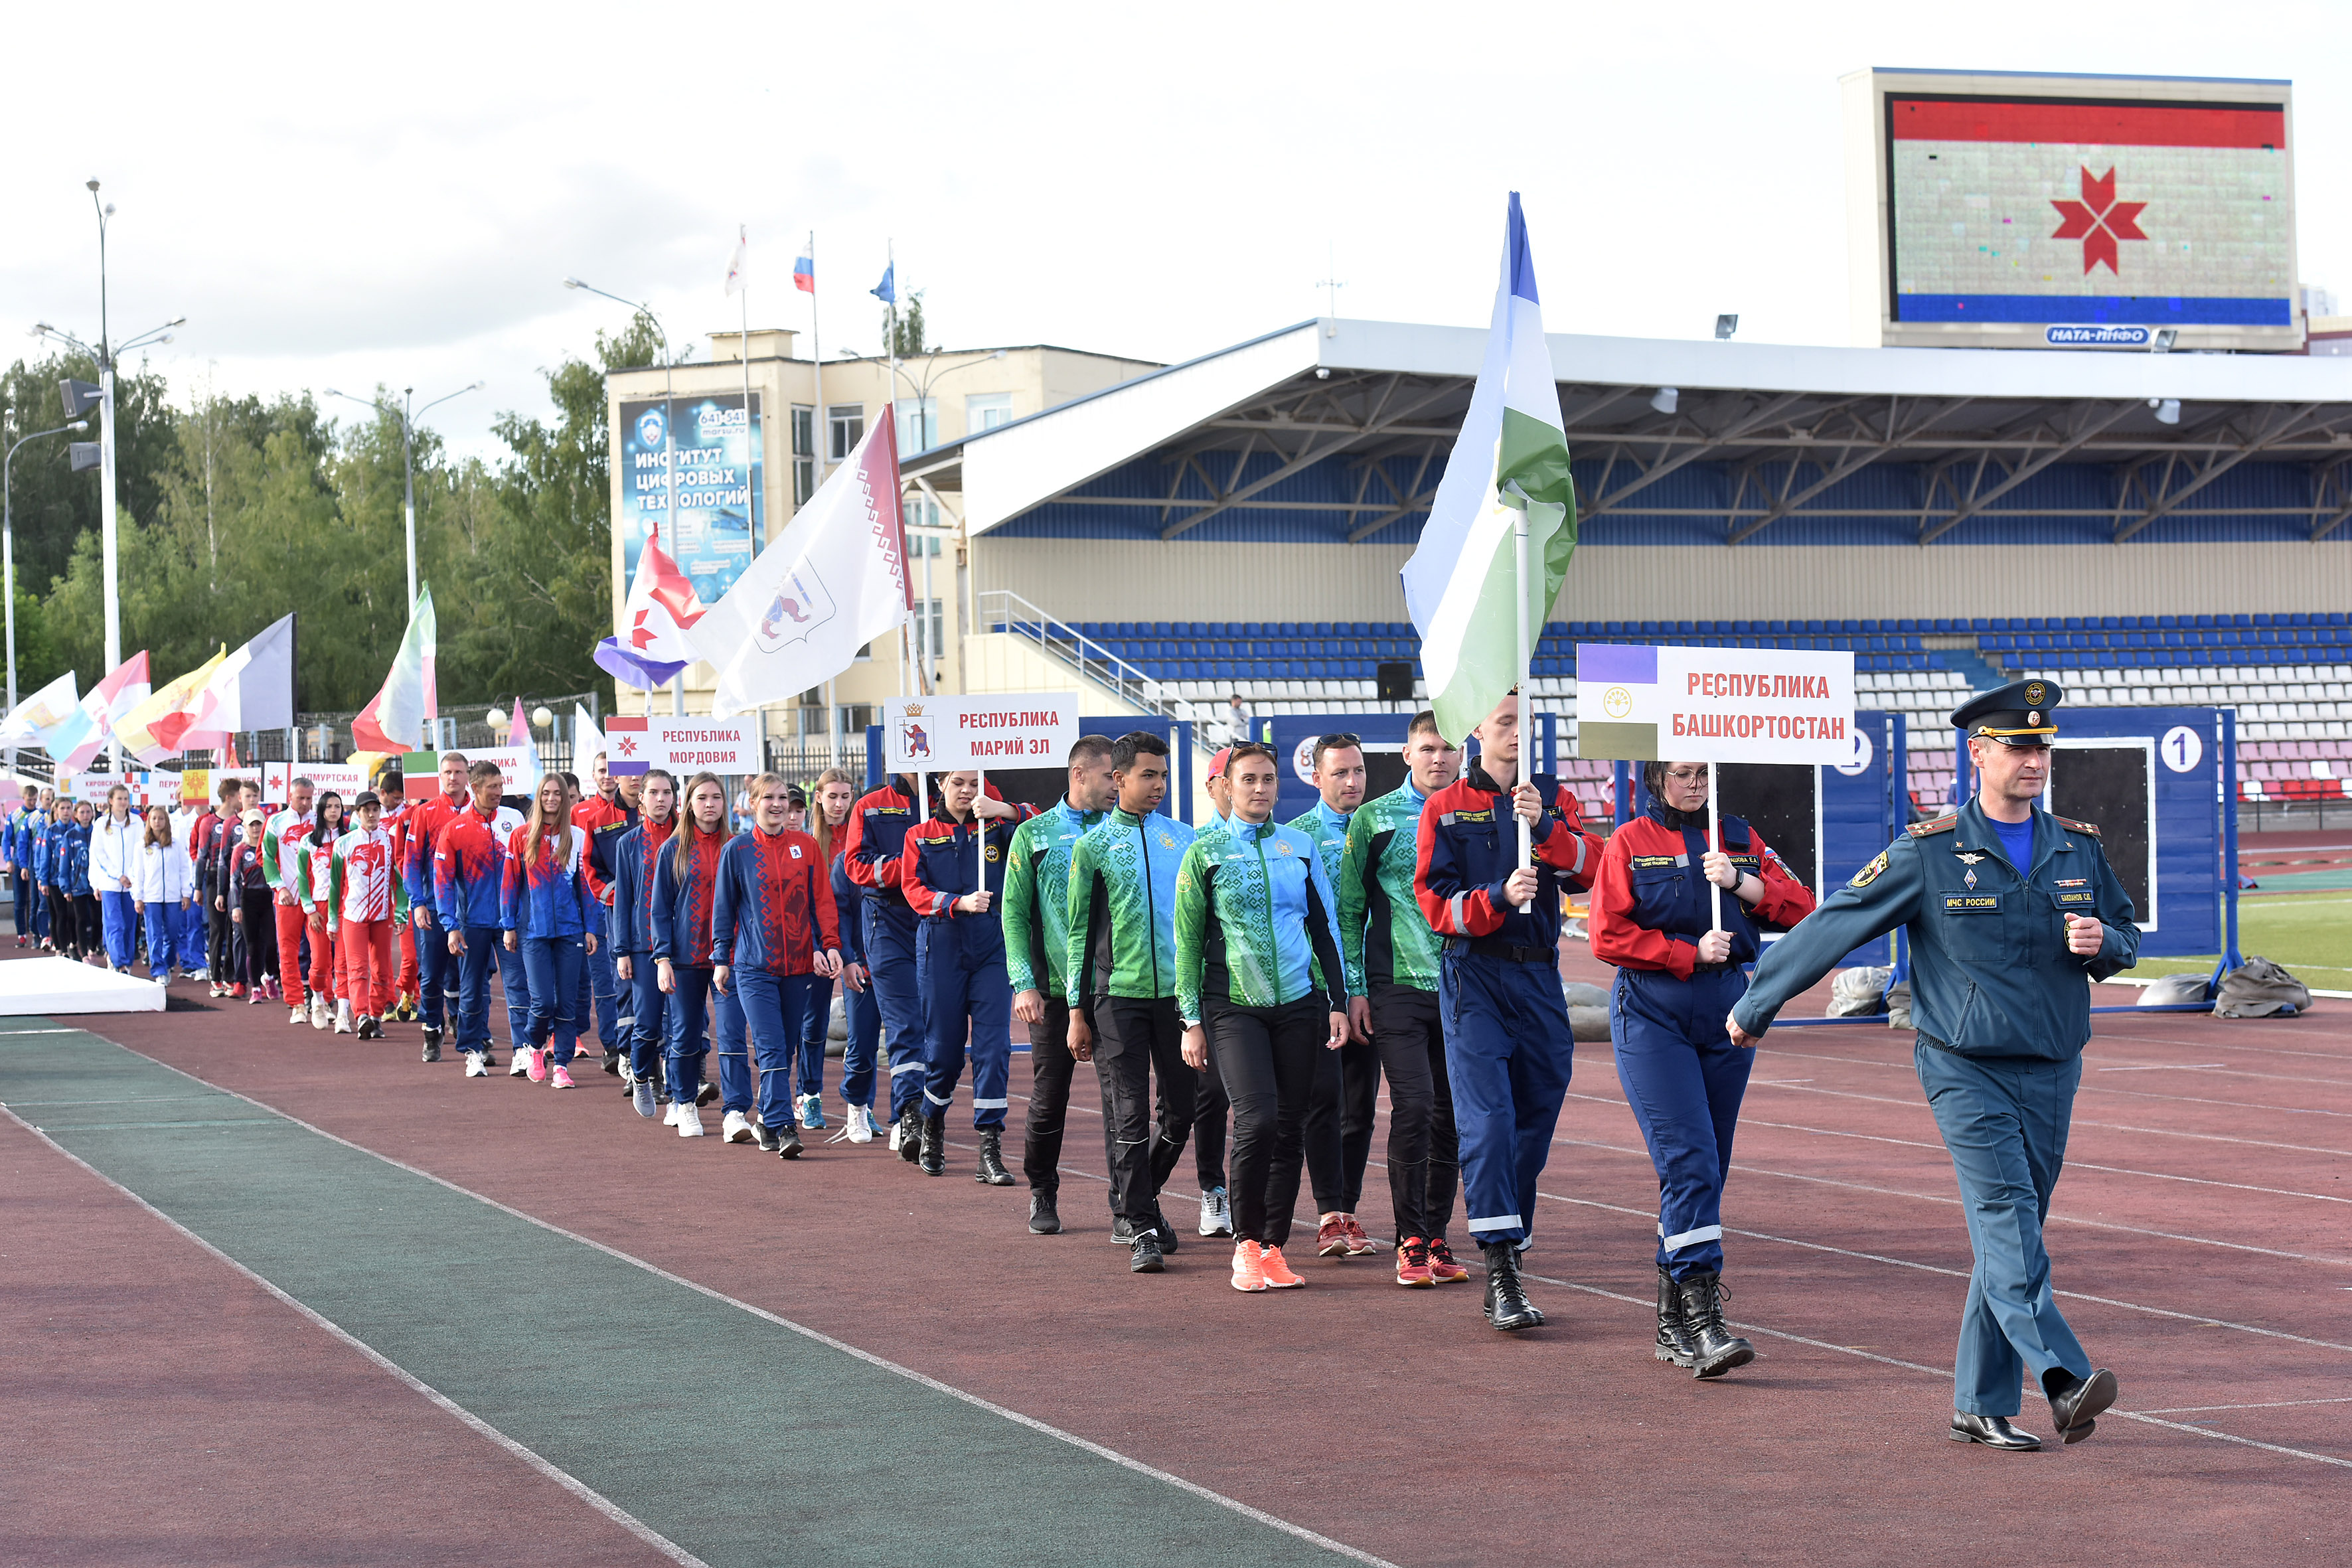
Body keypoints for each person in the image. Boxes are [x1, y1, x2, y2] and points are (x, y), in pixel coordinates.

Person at [1731, 680, 2132, 1449]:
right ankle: (2062, 1377)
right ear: (1977, 752)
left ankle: (1979, 1403)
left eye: (2043, 746)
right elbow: (1836, 923)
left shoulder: (2077, 846)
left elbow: (2121, 934)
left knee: (2010, 1234)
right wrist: (1759, 1003)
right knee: (2009, 1220)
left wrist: (2103, 945)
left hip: (2053, 1065)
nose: (2035, 759)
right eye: (2019, 746)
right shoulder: (1930, 850)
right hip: (1964, 1066)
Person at [1591, 758, 1816, 1377]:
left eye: (1704, 775)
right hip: (1652, 1009)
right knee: (1688, 1162)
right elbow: (1606, 934)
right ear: (1657, 777)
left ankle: (1669, 1325)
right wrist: (1683, 951)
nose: (1696, 785)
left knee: (1707, 1167)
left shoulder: (1739, 838)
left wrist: (1743, 885)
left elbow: (1805, 911)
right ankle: (1702, 1317)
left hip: (1727, 1010)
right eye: (1685, 774)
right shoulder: (1629, 842)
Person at [1415, 690, 1603, 1332]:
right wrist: (1495, 895)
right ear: (1476, 731)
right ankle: (1500, 1270)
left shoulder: (1554, 797)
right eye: (1504, 723)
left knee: (1536, 1116)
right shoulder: (1444, 807)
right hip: (1475, 976)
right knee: (1487, 1123)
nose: (1517, 733)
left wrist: (1545, 827)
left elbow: (1594, 873)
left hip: (1541, 979)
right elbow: (1434, 904)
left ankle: (1510, 1237)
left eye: (1524, 723)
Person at [1174, 742, 1354, 1293]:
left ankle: (1274, 1247)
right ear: (1227, 786)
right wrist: (1190, 1020)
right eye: (1248, 779)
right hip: (1231, 1006)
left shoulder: (1298, 847)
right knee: (1257, 1120)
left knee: (1290, 1128)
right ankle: (1246, 1245)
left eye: (1268, 779)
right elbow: (1185, 944)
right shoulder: (1203, 854)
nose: (1259, 789)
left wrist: (1338, 1002)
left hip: (1299, 1004)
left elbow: (1324, 930)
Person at [1338, 712, 1472, 1288]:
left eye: (1447, 748)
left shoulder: (1478, 813)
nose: (1437, 757)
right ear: (1406, 754)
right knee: (1414, 1107)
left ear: (1462, 755)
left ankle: (1438, 1235)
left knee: (1452, 1118)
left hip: (1468, 988)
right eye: (1427, 747)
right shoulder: (1372, 818)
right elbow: (1349, 910)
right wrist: (1355, 989)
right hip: (1395, 987)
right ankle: (1409, 1237)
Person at [1065, 732, 1196, 1272]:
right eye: (1148, 775)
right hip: (1116, 999)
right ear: (1118, 779)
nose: (1159, 785)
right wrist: (1075, 1011)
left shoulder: (1186, 838)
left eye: (1163, 776)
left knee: (1182, 1113)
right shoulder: (1092, 847)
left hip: (1176, 1000)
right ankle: (1141, 1225)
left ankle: (1133, 1198)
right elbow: (1077, 933)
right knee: (1127, 1118)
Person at [1003, 736, 1116, 1233]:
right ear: (1078, 775)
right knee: (1050, 1097)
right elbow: (1011, 913)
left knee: (1124, 1102)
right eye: (1110, 776)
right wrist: (1023, 982)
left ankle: (1129, 1205)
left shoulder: (1123, 830)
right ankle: (1042, 1191)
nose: (1118, 786)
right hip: (1051, 994)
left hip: (1117, 989)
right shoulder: (1033, 834)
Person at [898, 768, 1033, 1182]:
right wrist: (957, 902)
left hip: (992, 947)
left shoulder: (997, 829)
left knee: (994, 1048)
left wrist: (1005, 809)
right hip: (940, 946)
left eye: (974, 784)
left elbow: (1042, 823)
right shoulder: (919, 834)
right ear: (942, 786)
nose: (966, 791)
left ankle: (989, 1147)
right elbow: (912, 889)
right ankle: (933, 1124)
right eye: (958, 783)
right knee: (944, 1051)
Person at [713, 771, 844, 1158]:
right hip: (753, 968)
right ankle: (786, 1126)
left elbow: (822, 903)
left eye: (783, 798)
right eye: (768, 797)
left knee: (786, 1048)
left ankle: (767, 1122)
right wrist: (722, 959)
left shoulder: (805, 846)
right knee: (771, 1048)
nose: (777, 804)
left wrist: (830, 945)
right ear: (753, 804)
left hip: (800, 967)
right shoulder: (736, 851)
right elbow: (723, 911)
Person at [1289, 732, 1377, 1260]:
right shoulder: (1298, 837)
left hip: (1381, 986)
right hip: (1321, 992)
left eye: (1359, 771)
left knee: (1361, 1109)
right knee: (1323, 1103)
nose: (1352, 782)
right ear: (1317, 777)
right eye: (1340, 772)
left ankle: (1347, 1210)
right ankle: (1327, 1215)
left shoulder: (1382, 828)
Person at [842, 770, 935, 1156]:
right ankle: (908, 1114)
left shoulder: (955, 795)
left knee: (936, 1026)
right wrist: (908, 866)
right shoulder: (870, 805)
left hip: (938, 920)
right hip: (888, 920)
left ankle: (926, 1112)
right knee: (903, 1022)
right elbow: (855, 866)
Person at [651, 771, 737, 1138]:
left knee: (733, 1036)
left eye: (716, 797)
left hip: (730, 957)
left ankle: (736, 1110)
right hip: (685, 958)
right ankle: (683, 1102)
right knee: (685, 1034)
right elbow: (660, 909)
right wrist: (663, 958)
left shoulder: (738, 845)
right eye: (702, 798)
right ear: (688, 803)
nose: (710, 805)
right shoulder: (672, 849)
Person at [502, 773, 597, 1089]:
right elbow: (510, 885)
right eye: (546, 793)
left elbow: (585, 886)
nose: (553, 798)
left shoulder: (578, 837)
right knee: (542, 1002)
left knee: (567, 1003)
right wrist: (508, 926)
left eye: (558, 793)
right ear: (538, 797)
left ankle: (563, 1066)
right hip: (533, 932)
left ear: (567, 799)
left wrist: (590, 929)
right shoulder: (521, 836)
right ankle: (535, 1049)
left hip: (571, 932)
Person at [806, 767, 882, 1139]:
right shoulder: (808, 843)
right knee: (815, 1023)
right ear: (818, 797)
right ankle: (810, 1094)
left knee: (867, 1029)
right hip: (820, 944)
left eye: (845, 796)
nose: (839, 803)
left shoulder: (862, 837)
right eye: (832, 796)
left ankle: (864, 1106)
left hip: (857, 944)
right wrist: (825, 946)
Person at [433, 761, 522, 1079]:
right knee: (472, 989)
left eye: (501, 786)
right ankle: (473, 1051)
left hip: (511, 921)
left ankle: (523, 1051)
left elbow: (524, 871)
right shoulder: (455, 829)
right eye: (492, 787)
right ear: (474, 788)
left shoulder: (515, 820)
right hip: (473, 922)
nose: (499, 792)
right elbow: (442, 880)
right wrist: (451, 926)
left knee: (518, 986)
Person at [608, 769, 679, 1117]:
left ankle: (681, 1094)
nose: (661, 799)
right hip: (643, 945)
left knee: (685, 1024)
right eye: (654, 792)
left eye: (667, 792)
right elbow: (623, 900)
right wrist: (622, 949)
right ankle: (640, 1074)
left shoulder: (687, 838)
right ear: (642, 798)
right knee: (648, 1022)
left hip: (685, 942)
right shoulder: (628, 843)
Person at [404, 752, 473, 1061]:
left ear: (468, 775)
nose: (453, 777)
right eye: (447, 772)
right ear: (440, 775)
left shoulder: (480, 809)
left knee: (467, 974)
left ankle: (463, 1021)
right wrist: (417, 903)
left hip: (473, 907)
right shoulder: (425, 812)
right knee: (431, 974)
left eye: (459, 772)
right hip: (434, 905)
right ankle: (432, 1030)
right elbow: (411, 862)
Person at [575, 755, 635, 1075]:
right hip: (614, 917)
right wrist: (616, 895)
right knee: (619, 983)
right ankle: (622, 1051)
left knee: (668, 985)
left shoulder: (668, 816)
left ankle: (670, 1057)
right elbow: (589, 868)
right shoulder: (594, 818)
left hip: (662, 918)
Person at [331, 791, 402, 1039]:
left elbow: (399, 881)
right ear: (357, 814)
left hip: (382, 915)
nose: (371, 815)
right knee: (358, 968)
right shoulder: (344, 844)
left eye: (375, 810)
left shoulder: (391, 842)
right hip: (354, 916)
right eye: (366, 810)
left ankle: (376, 1016)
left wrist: (401, 912)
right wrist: (332, 918)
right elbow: (334, 885)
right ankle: (361, 1015)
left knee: (382, 969)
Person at [262, 777, 319, 1025]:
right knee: (287, 951)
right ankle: (296, 1003)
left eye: (309, 798)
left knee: (321, 950)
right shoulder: (276, 822)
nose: (305, 803)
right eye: (301, 798)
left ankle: (322, 1000)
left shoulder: (320, 821)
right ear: (290, 796)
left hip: (317, 897)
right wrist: (279, 887)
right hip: (288, 897)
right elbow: (266, 858)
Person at [297, 793, 346, 1032]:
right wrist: (310, 909)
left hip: (345, 906)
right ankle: (317, 1002)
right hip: (319, 907)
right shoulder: (308, 840)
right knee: (320, 962)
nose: (334, 811)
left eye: (338, 806)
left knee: (344, 961)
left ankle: (344, 1010)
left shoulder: (349, 837)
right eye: (329, 807)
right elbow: (303, 878)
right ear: (321, 810)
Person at [129, 803, 189, 986]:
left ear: (166, 821)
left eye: (161, 818)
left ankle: (168, 962)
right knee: (154, 935)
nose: (157, 822)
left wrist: (186, 893)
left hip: (172, 897)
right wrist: (138, 897)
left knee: (172, 934)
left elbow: (184, 869)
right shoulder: (142, 846)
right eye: (154, 818)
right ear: (149, 821)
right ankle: (158, 969)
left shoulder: (176, 844)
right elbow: (137, 873)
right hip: (151, 897)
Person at [222, 807, 275, 1001]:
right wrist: (235, 906)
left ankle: (269, 976)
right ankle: (256, 989)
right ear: (245, 827)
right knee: (252, 945)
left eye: (258, 824)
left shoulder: (270, 848)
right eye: (251, 825)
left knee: (270, 943)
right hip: (248, 899)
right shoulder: (240, 850)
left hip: (268, 897)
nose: (255, 828)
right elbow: (234, 880)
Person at [88, 783, 141, 973]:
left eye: (126, 798)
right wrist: (117, 876)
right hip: (110, 883)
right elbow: (98, 853)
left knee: (128, 925)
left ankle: (125, 960)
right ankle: (118, 962)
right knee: (114, 924)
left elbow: (140, 850)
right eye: (119, 798)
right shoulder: (102, 824)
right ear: (111, 801)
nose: (123, 802)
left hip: (131, 884)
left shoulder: (137, 822)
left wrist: (133, 876)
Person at [194, 778, 240, 992]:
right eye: (240, 795)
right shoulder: (208, 823)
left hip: (237, 878)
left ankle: (230, 974)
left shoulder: (242, 822)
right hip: (214, 877)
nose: (243, 800)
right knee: (217, 928)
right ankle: (215, 975)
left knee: (234, 928)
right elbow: (201, 856)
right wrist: (197, 887)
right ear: (230, 797)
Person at [8, 783, 42, 947]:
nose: (32, 803)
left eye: (35, 800)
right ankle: (22, 934)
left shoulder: (39, 816)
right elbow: (7, 840)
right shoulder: (14, 816)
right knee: (20, 900)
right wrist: (8, 859)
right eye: (30, 800)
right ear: (24, 798)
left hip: (35, 863)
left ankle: (36, 933)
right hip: (19, 861)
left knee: (35, 899)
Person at [68, 801, 100, 965]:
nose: (86, 816)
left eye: (88, 812)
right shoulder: (71, 835)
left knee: (97, 919)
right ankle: (83, 952)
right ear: (76, 815)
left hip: (96, 886)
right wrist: (66, 887)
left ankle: (93, 947)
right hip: (77, 885)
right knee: (81, 919)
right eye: (82, 812)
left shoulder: (98, 832)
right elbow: (64, 863)